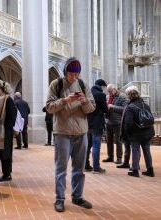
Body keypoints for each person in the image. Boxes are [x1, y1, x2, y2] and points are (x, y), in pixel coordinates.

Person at [46, 57, 96, 212]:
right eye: (71, 74)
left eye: (76, 74)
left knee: (79, 169)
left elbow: (91, 109)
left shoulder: (83, 85)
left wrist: (84, 101)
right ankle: (59, 199)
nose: (73, 77)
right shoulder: (56, 84)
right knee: (61, 169)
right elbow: (49, 107)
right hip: (62, 133)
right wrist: (65, 100)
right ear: (65, 72)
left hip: (81, 133)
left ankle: (77, 197)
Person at [121, 86, 155, 177]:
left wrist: (127, 133)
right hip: (148, 132)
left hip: (135, 134)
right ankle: (150, 170)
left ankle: (135, 170)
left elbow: (128, 123)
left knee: (135, 150)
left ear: (129, 96)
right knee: (147, 150)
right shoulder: (146, 105)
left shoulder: (130, 107)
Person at [85, 79, 108, 174]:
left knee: (87, 145)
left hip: (87, 123)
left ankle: (85, 165)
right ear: (102, 86)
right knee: (96, 146)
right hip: (97, 123)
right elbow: (105, 110)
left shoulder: (88, 93)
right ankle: (96, 168)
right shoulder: (101, 95)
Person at [102, 84, 128, 164]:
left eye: (110, 91)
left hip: (118, 122)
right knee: (108, 140)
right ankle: (110, 157)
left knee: (118, 141)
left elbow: (125, 109)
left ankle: (119, 158)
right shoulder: (107, 97)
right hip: (108, 122)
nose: (109, 93)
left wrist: (113, 106)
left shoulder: (122, 96)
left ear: (115, 89)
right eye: (108, 91)